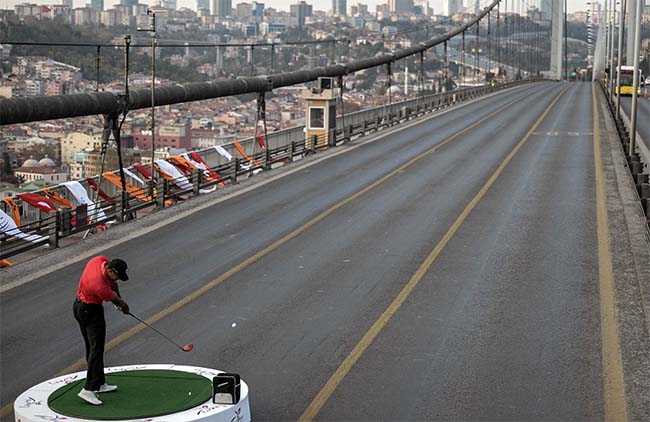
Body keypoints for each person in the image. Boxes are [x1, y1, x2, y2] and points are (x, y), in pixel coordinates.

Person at [73, 256, 130, 405]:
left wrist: (119, 298)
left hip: (79, 306)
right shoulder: (99, 286)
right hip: (89, 311)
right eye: (117, 275)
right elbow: (116, 300)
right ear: (110, 270)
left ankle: (99, 383)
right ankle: (88, 389)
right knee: (96, 349)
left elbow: (113, 284)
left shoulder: (99, 260)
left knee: (92, 348)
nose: (117, 279)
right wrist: (123, 306)